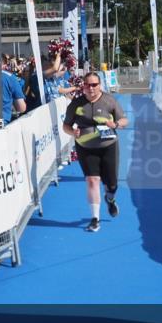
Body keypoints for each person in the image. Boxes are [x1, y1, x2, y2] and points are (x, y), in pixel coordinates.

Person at [62, 72, 128, 232]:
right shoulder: (76, 104)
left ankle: (110, 199)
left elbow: (125, 120)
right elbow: (66, 126)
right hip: (85, 147)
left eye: (94, 85)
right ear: (83, 86)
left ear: (100, 85)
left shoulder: (109, 100)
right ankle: (95, 219)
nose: (91, 88)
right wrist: (72, 132)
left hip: (109, 145)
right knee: (92, 180)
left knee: (111, 184)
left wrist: (116, 124)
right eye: (88, 85)